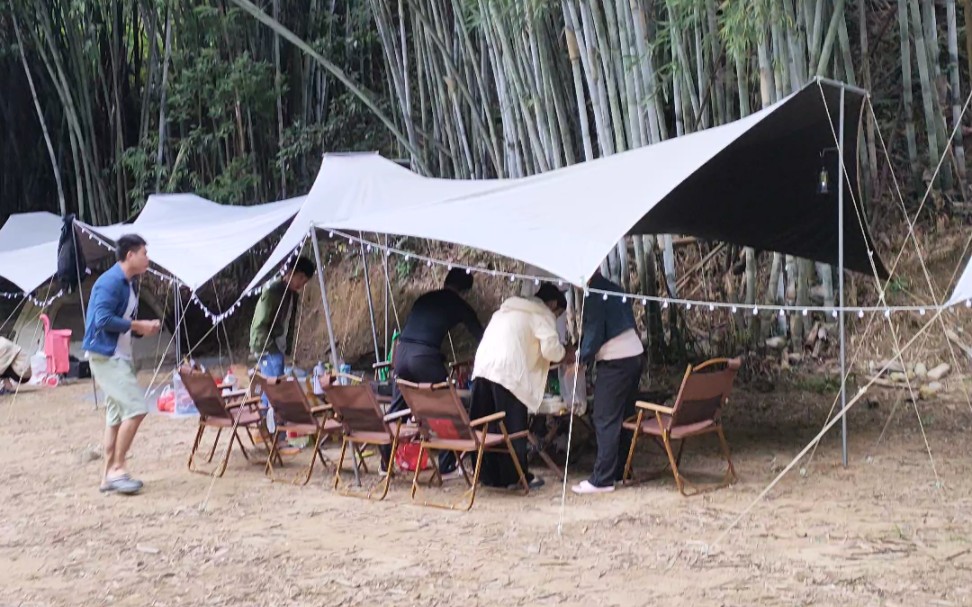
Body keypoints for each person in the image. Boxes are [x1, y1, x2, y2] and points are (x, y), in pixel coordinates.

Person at [382, 268, 484, 475]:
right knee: (446, 408)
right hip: (424, 357)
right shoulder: (459, 304)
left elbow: (418, 326)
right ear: (464, 291)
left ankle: (385, 463)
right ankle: (446, 465)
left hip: (401, 354)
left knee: (396, 411)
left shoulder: (425, 298)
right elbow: (482, 336)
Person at [82, 234, 161, 495]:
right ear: (130, 255)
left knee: (115, 416)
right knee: (136, 408)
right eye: (144, 253)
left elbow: (121, 320)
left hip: (120, 355)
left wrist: (140, 330)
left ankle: (106, 476)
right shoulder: (110, 282)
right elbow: (102, 319)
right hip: (107, 356)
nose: (147, 258)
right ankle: (118, 468)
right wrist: (139, 325)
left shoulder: (129, 283)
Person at [470, 282, 568, 489]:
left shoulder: (506, 309)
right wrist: (565, 352)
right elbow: (551, 350)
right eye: (558, 313)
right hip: (508, 373)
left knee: (485, 425)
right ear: (552, 304)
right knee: (512, 428)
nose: (556, 317)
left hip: (482, 369)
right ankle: (513, 477)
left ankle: (486, 475)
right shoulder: (541, 313)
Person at [571, 270, 644, 495]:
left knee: (605, 416)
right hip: (635, 354)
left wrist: (581, 359)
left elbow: (594, 332)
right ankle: (621, 469)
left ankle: (602, 479)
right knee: (624, 414)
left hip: (616, 359)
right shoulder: (614, 288)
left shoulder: (595, 295)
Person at [249, 256, 316, 455]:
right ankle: (277, 438)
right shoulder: (273, 291)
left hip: (274, 346)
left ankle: (263, 432)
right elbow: (260, 324)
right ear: (292, 273)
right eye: (301, 279)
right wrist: (269, 347)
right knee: (276, 393)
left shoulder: (290, 294)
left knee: (269, 392)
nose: (302, 284)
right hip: (267, 347)